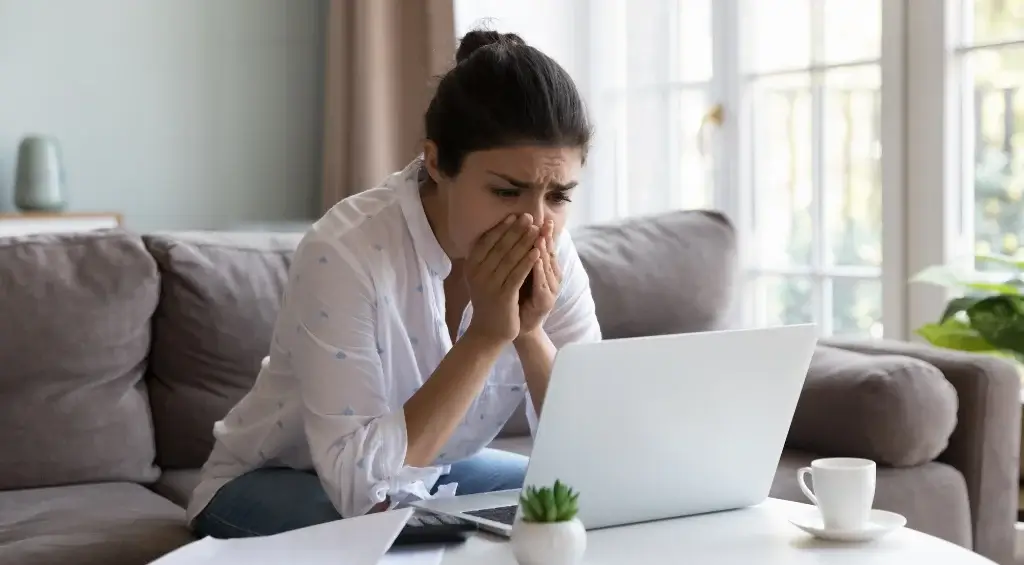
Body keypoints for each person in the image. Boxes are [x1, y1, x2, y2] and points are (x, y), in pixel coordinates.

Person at [186, 29, 602, 539]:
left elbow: (596, 455)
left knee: (577, 508)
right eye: (505, 191)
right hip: (278, 477)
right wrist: (487, 335)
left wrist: (531, 333)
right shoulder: (345, 249)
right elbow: (362, 490)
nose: (534, 223)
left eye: (558, 196)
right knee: (387, 538)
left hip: (429, 473)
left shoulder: (554, 248)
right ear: (435, 162)